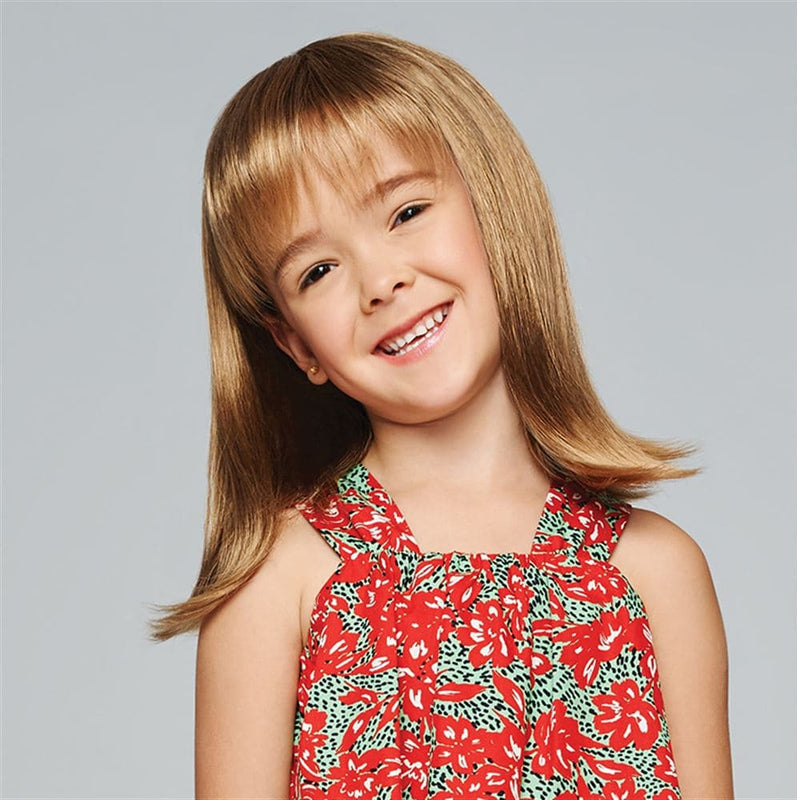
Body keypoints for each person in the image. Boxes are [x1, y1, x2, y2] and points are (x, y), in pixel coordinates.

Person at [151, 32, 734, 800]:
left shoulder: (655, 572)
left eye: (407, 211)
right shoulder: (280, 580)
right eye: (319, 270)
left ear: (495, 207)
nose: (381, 281)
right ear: (296, 345)